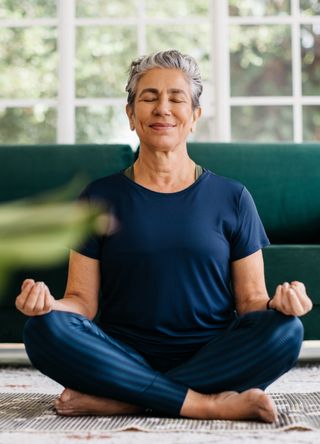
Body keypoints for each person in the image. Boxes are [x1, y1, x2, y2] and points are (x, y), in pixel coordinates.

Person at [16, 49, 312, 423]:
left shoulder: (233, 197)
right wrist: (48, 306)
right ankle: (204, 404)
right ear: (130, 114)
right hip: (121, 354)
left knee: (287, 331)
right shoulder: (99, 197)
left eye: (176, 98)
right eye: (149, 97)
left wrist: (280, 305)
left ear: (194, 116)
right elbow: (81, 302)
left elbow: (252, 301)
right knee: (42, 329)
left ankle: (128, 399)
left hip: (211, 354)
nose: (163, 109)